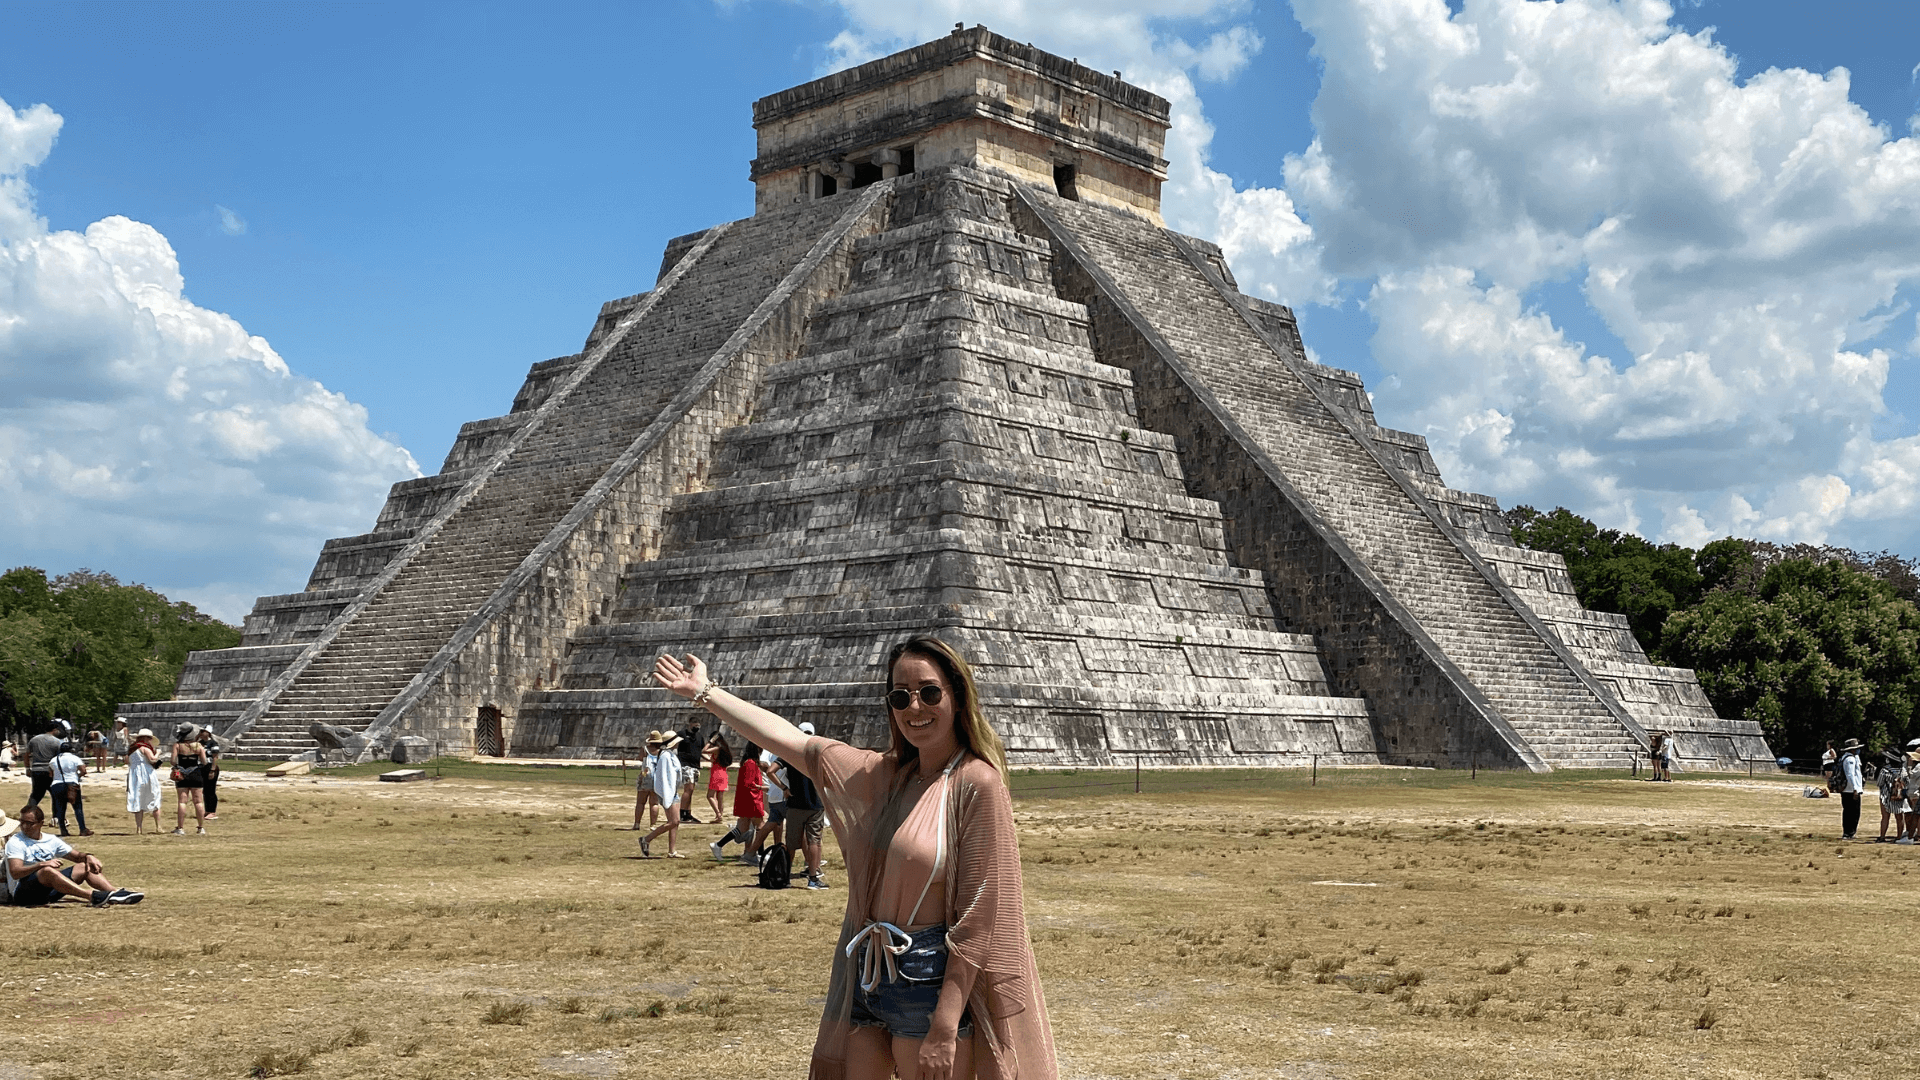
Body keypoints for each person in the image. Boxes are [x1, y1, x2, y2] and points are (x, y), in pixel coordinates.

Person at [655, 636, 1057, 1080]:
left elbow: (980, 919)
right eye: (901, 696)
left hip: (929, 981)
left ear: (958, 697)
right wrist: (705, 694)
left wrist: (945, 1025)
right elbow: (793, 742)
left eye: (929, 692)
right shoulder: (889, 776)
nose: (914, 707)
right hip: (866, 972)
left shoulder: (977, 783)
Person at [5, 804, 143, 906]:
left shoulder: (51, 840)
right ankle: (92, 896)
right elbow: (16, 872)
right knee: (47, 871)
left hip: (48, 890)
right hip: (24, 894)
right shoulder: (16, 841)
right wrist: (42, 864)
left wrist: (88, 856)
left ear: (41, 824)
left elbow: (76, 856)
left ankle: (115, 894)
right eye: (22, 822)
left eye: (29, 823)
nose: (24, 827)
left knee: (83, 866)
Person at [784, 721, 830, 890]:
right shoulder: (819, 755)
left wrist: (784, 788)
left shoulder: (791, 753)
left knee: (791, 844)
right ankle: (813, 877)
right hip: (815, 804)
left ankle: (785, 876)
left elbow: (771, 770)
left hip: (795, 803)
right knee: (814, 842)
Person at [712, 741, 767, 865]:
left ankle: (718, 845)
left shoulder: (748, 763)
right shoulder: (751, 764)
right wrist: (761, 787)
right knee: (760, 827)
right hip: (751, 800)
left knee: (742, 828)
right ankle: (760, 854)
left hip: (747, 799)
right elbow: (749, 783)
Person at [638, 731, 686, 859]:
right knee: (674, 821)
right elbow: (664, 777)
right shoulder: (665, 756)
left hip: (672, 791)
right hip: (668, 792)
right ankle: (646, 839)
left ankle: (672, 851)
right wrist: (667, 796)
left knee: (675, 822)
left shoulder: (669, 754)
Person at [752, 745, 791, 862]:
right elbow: (763, 764)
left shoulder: (775, 749)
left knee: (775, 824)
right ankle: (807, 861)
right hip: (781, 793)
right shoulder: (781, 752)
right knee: (794, 826)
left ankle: (752, 851)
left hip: (773, 791)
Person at [171, 724, 211, 836]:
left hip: (182, 774)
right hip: (196, 773)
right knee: (198, 801)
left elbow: (173, 761)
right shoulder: (198, 746)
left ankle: (180, 827)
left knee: (182, 801)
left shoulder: (178, 745)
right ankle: (201, 827)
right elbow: (204, 761)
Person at [126, 730, 164, 834]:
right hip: (147, 774)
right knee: (154, 797)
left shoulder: (131, 749)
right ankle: (158, 826)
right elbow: (152, 760)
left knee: (138, 800)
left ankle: (139, 828)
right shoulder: (144, 748)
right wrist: (158, 753)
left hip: (134, 775)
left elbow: (126, 761)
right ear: (146, 738)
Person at [48, 744, 91, 838]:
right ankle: (82, 829)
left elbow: (51, 774)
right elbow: (83, 770)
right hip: (72, 784)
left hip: (57, 784)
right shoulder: (75, 758)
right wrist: (77, 777)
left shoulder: (54, 760)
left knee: (60, 808)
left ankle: (63, 830)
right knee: (77, 807)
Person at [25, 721, 68, 808]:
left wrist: (27, 768)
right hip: (50, 772)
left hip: (36, 770)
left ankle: (27, 814)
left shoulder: (34, 739)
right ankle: (56, 818)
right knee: (56, 796)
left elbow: (26, 755)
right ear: (55, 730)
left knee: (36, 795)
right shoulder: (58, 742)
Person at [1877, 750, 1909, 842]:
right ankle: (1899, 837)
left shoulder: (1885, 770)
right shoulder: (1903, 770)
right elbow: (1907, 782)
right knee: (1899, 817)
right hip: (1899, 797)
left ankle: (1882, 836)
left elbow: (1879, 783)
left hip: (1886, 796)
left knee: (1885, 817)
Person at [676, 720, 704, 823]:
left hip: (695, 765)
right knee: (688, 788)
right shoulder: (682, 734)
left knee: (691, 790)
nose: (696, 727)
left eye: (698, 725)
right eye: (695, 725)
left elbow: (701, 750)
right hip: (685, 765)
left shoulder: (699, 737)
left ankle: (688, 813)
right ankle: (682, 813)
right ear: (690, 724)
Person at [1839, 738, 1866, 839]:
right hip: (1850, 790)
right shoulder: (1850, 759)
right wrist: (1855, 788)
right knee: (1852, 812)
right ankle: (1849, 832)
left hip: (1849, 789)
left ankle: (1849, 832)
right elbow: (1850, 774)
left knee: (1850, 812)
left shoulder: (1850, 758)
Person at [704, 732, 733, 825]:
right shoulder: (724, 749)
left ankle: (718, 814)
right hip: (724, 772)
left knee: (710, 795)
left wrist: (710, 741)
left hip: (716, 773)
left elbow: (704, 750)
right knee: (720, 797)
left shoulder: (717, 748)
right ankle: (719, 816)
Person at [198, 727, 223, 820]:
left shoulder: (213, 743)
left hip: (210, 767)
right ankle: (207, 810)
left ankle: (212, 811)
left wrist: (212, 770)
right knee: (205, 790)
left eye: (202, 731)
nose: (200, 733)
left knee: (211, 790)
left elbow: (215, 757)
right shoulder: (200, 743)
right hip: (202, 767)